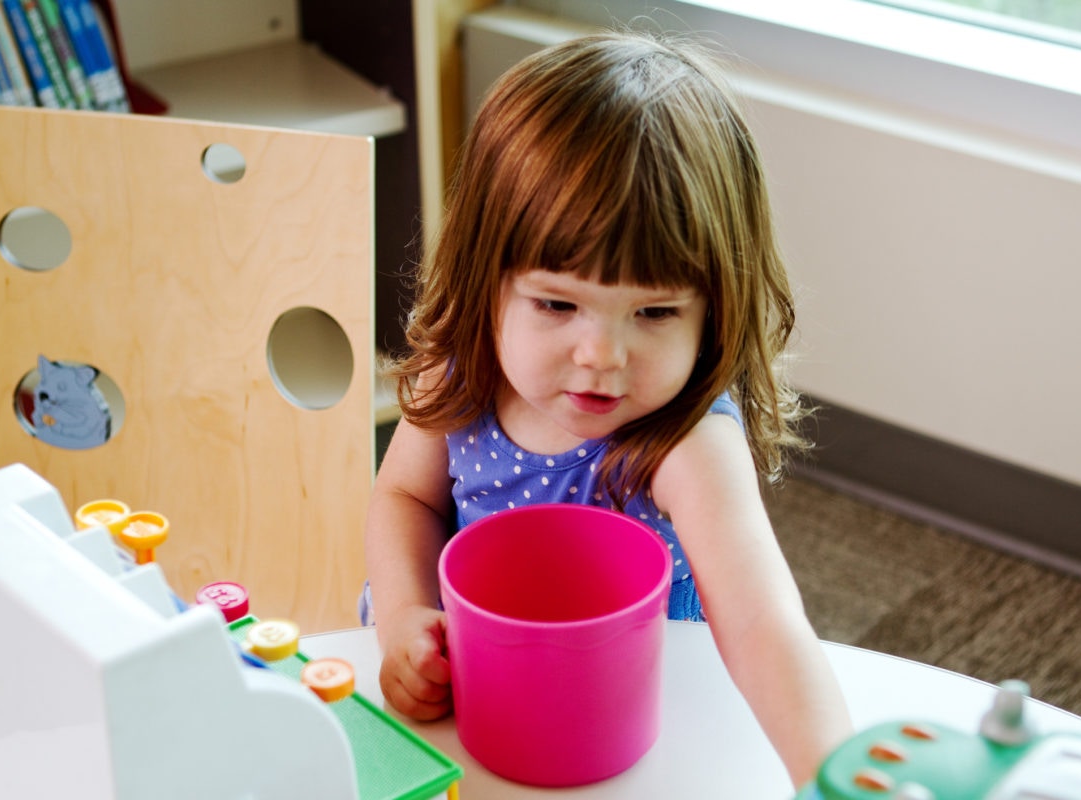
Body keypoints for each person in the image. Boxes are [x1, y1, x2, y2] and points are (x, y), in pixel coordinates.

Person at [362, 30, 852, 786]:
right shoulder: (461, 375)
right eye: (558, 303)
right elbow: (403, 497)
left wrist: (832, 774)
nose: (602, 356)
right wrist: (402, 618)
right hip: (474, 695)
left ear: (713, 312)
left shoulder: (685, 442)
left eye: (654, 314)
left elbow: (763, 622)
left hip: (629, 717)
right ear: (485, 276)